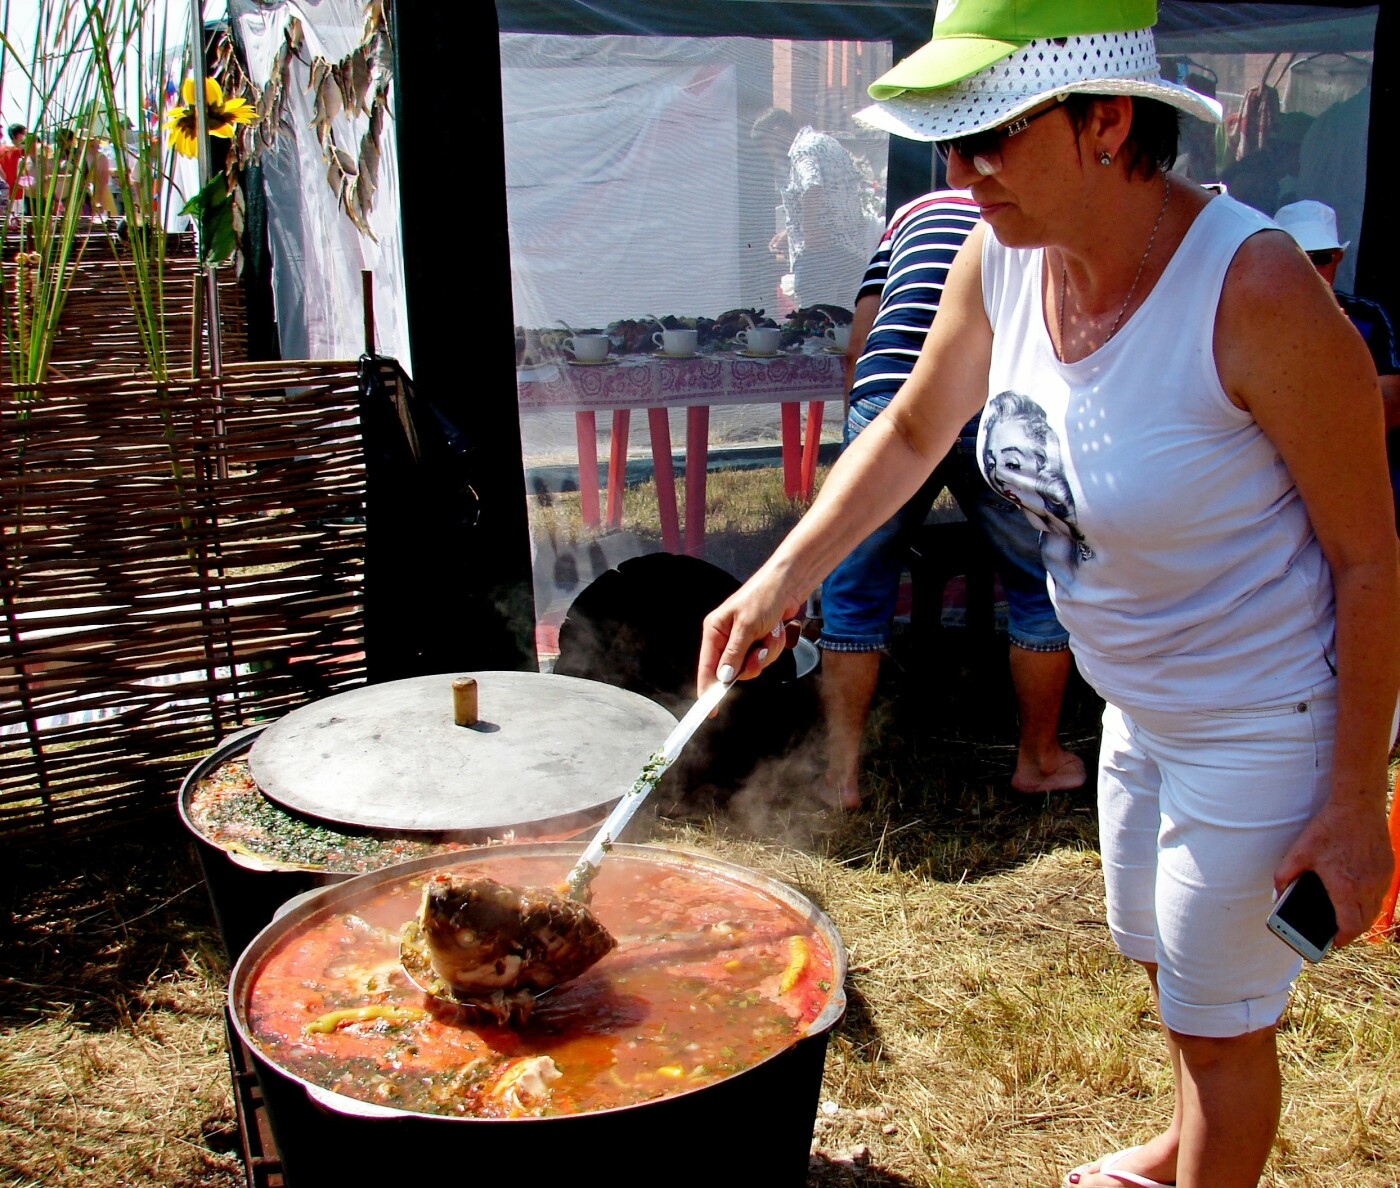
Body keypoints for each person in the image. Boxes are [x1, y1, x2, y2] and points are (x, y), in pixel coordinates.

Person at [699, 2, 1398, 1186]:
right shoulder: (1001, 254)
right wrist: (781, 574)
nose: (958, 174)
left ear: (1105, 125)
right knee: (1161, 967)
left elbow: (1370, 556)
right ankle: (1179, 1147)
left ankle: (1204, 1146)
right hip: (1133, 703)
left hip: (1262, 716)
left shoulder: (1256, 290)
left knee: (1220, 1030)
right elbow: (917, 423)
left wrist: (1350, 799)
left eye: (986, 140)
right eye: (948, 144)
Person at [818, 189, 1084, 807]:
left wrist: (860, 422)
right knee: (1039, 578)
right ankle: (1039, 759)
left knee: (853, 587)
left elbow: (863, 332)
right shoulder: (1030, 208)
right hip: (991, 400)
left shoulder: (909, 216)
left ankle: (839, 776)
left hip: (890, 396)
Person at [1273, 199, 1400, 532]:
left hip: (1356, 483)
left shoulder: (1366, 317)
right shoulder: (1248, 323)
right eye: (1300, 258)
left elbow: (1390, 403)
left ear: (1338, 259)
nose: (1313, 270)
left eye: (1322, 258)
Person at [751, 108, 869, 308]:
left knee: (816, 324)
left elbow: (812, 185)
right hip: (852, 253)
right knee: (844, 323)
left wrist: (810, 230)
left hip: (819, 257)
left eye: (766, 147)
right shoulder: (828, 143)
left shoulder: (801, 149)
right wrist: (790, 232)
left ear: (778, 131)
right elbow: (832, 198)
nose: (769, 155)